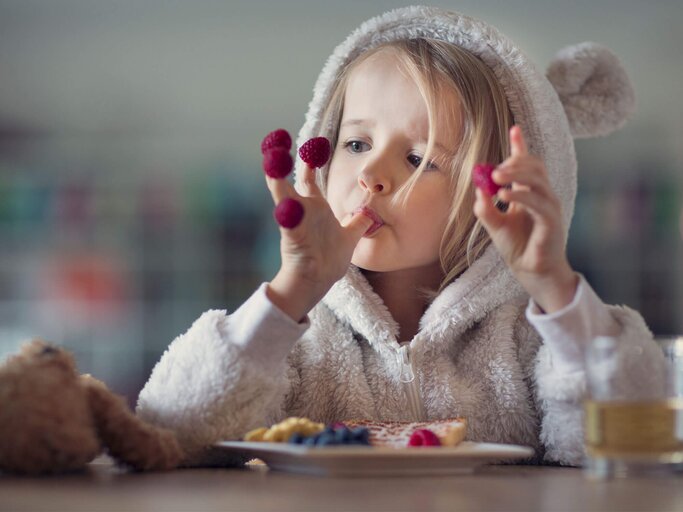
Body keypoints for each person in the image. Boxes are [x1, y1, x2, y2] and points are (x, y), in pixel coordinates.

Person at [136, 6, 666, 466]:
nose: (372, 176)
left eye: (419, 158)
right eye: (357, 143)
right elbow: (170, 432)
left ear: (498, 191)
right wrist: (291, 291)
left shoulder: (528, 341)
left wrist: (553, 285)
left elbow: (634, 437)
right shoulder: (298, 341)